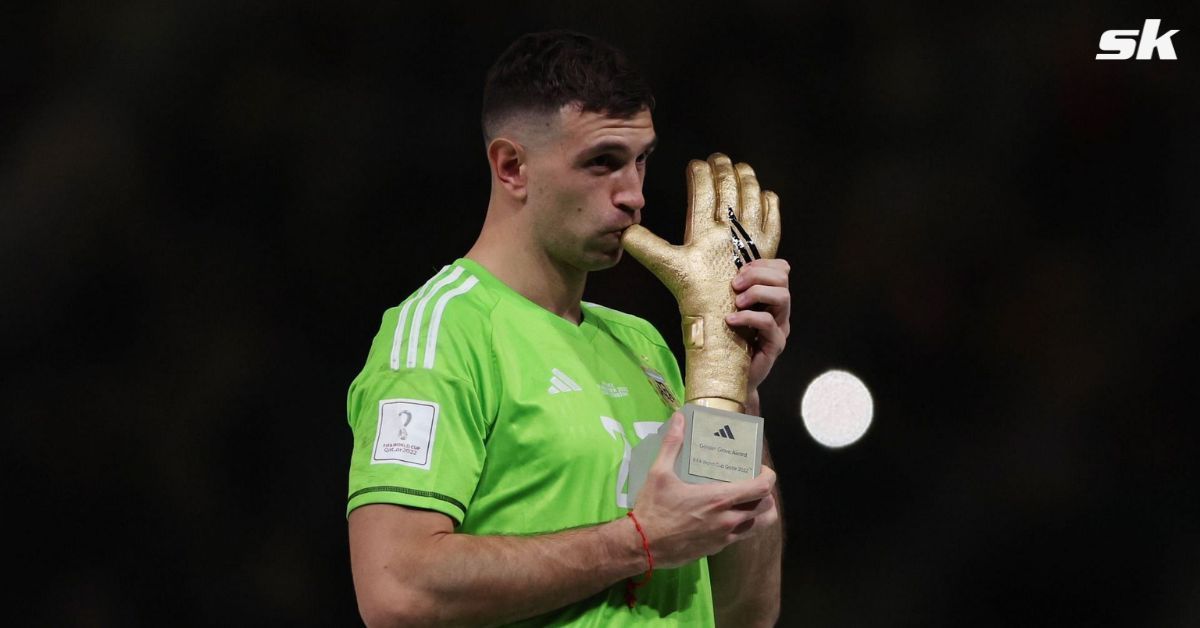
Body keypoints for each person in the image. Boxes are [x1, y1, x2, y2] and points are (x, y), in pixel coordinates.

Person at [346, 30, 790, 626]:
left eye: (641, 161)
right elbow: (397, 592)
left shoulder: (645, 347)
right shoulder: (443, 332)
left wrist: (733, 386)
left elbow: (744, 611)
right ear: (511, 167)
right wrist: (638, 540)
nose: (634, 195)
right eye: (601, 163)